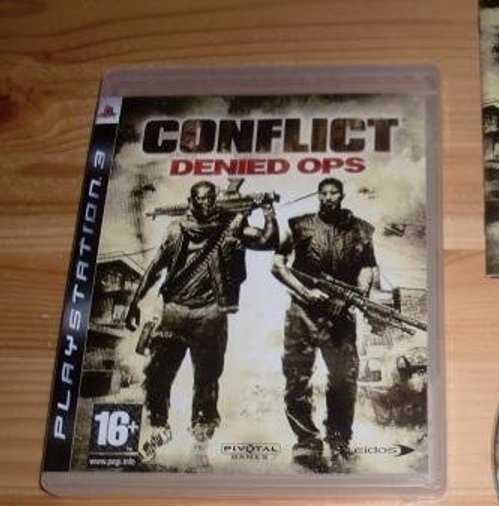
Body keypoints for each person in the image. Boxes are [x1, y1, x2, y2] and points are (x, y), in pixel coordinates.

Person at [125, 180, 278, 465]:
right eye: (200, 199)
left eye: (210, 199)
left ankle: (200, 442)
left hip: (210, 313)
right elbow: (155, 267)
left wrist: (268, 211)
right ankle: (157, 431)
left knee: (206, 381)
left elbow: (268, 241)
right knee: (157, 375)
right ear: (191, 200)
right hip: (173, 311)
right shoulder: (176, 229)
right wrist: (135, 301)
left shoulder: (231, 226)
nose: (206, 204)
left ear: (216, 200)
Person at [271, 177, 378, 472]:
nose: (329, 197)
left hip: (340, 315)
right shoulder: (298, 225)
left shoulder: (362, 230)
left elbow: (368, 267)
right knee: (297, 379)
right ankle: (306, 443)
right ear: (318, 195)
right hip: (302, 314)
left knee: (345, 379)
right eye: (324, 193)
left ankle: (340, 441)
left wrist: (355, 296)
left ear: (342, 195)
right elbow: (277, 265)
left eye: (334, 193)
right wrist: (306, 293)